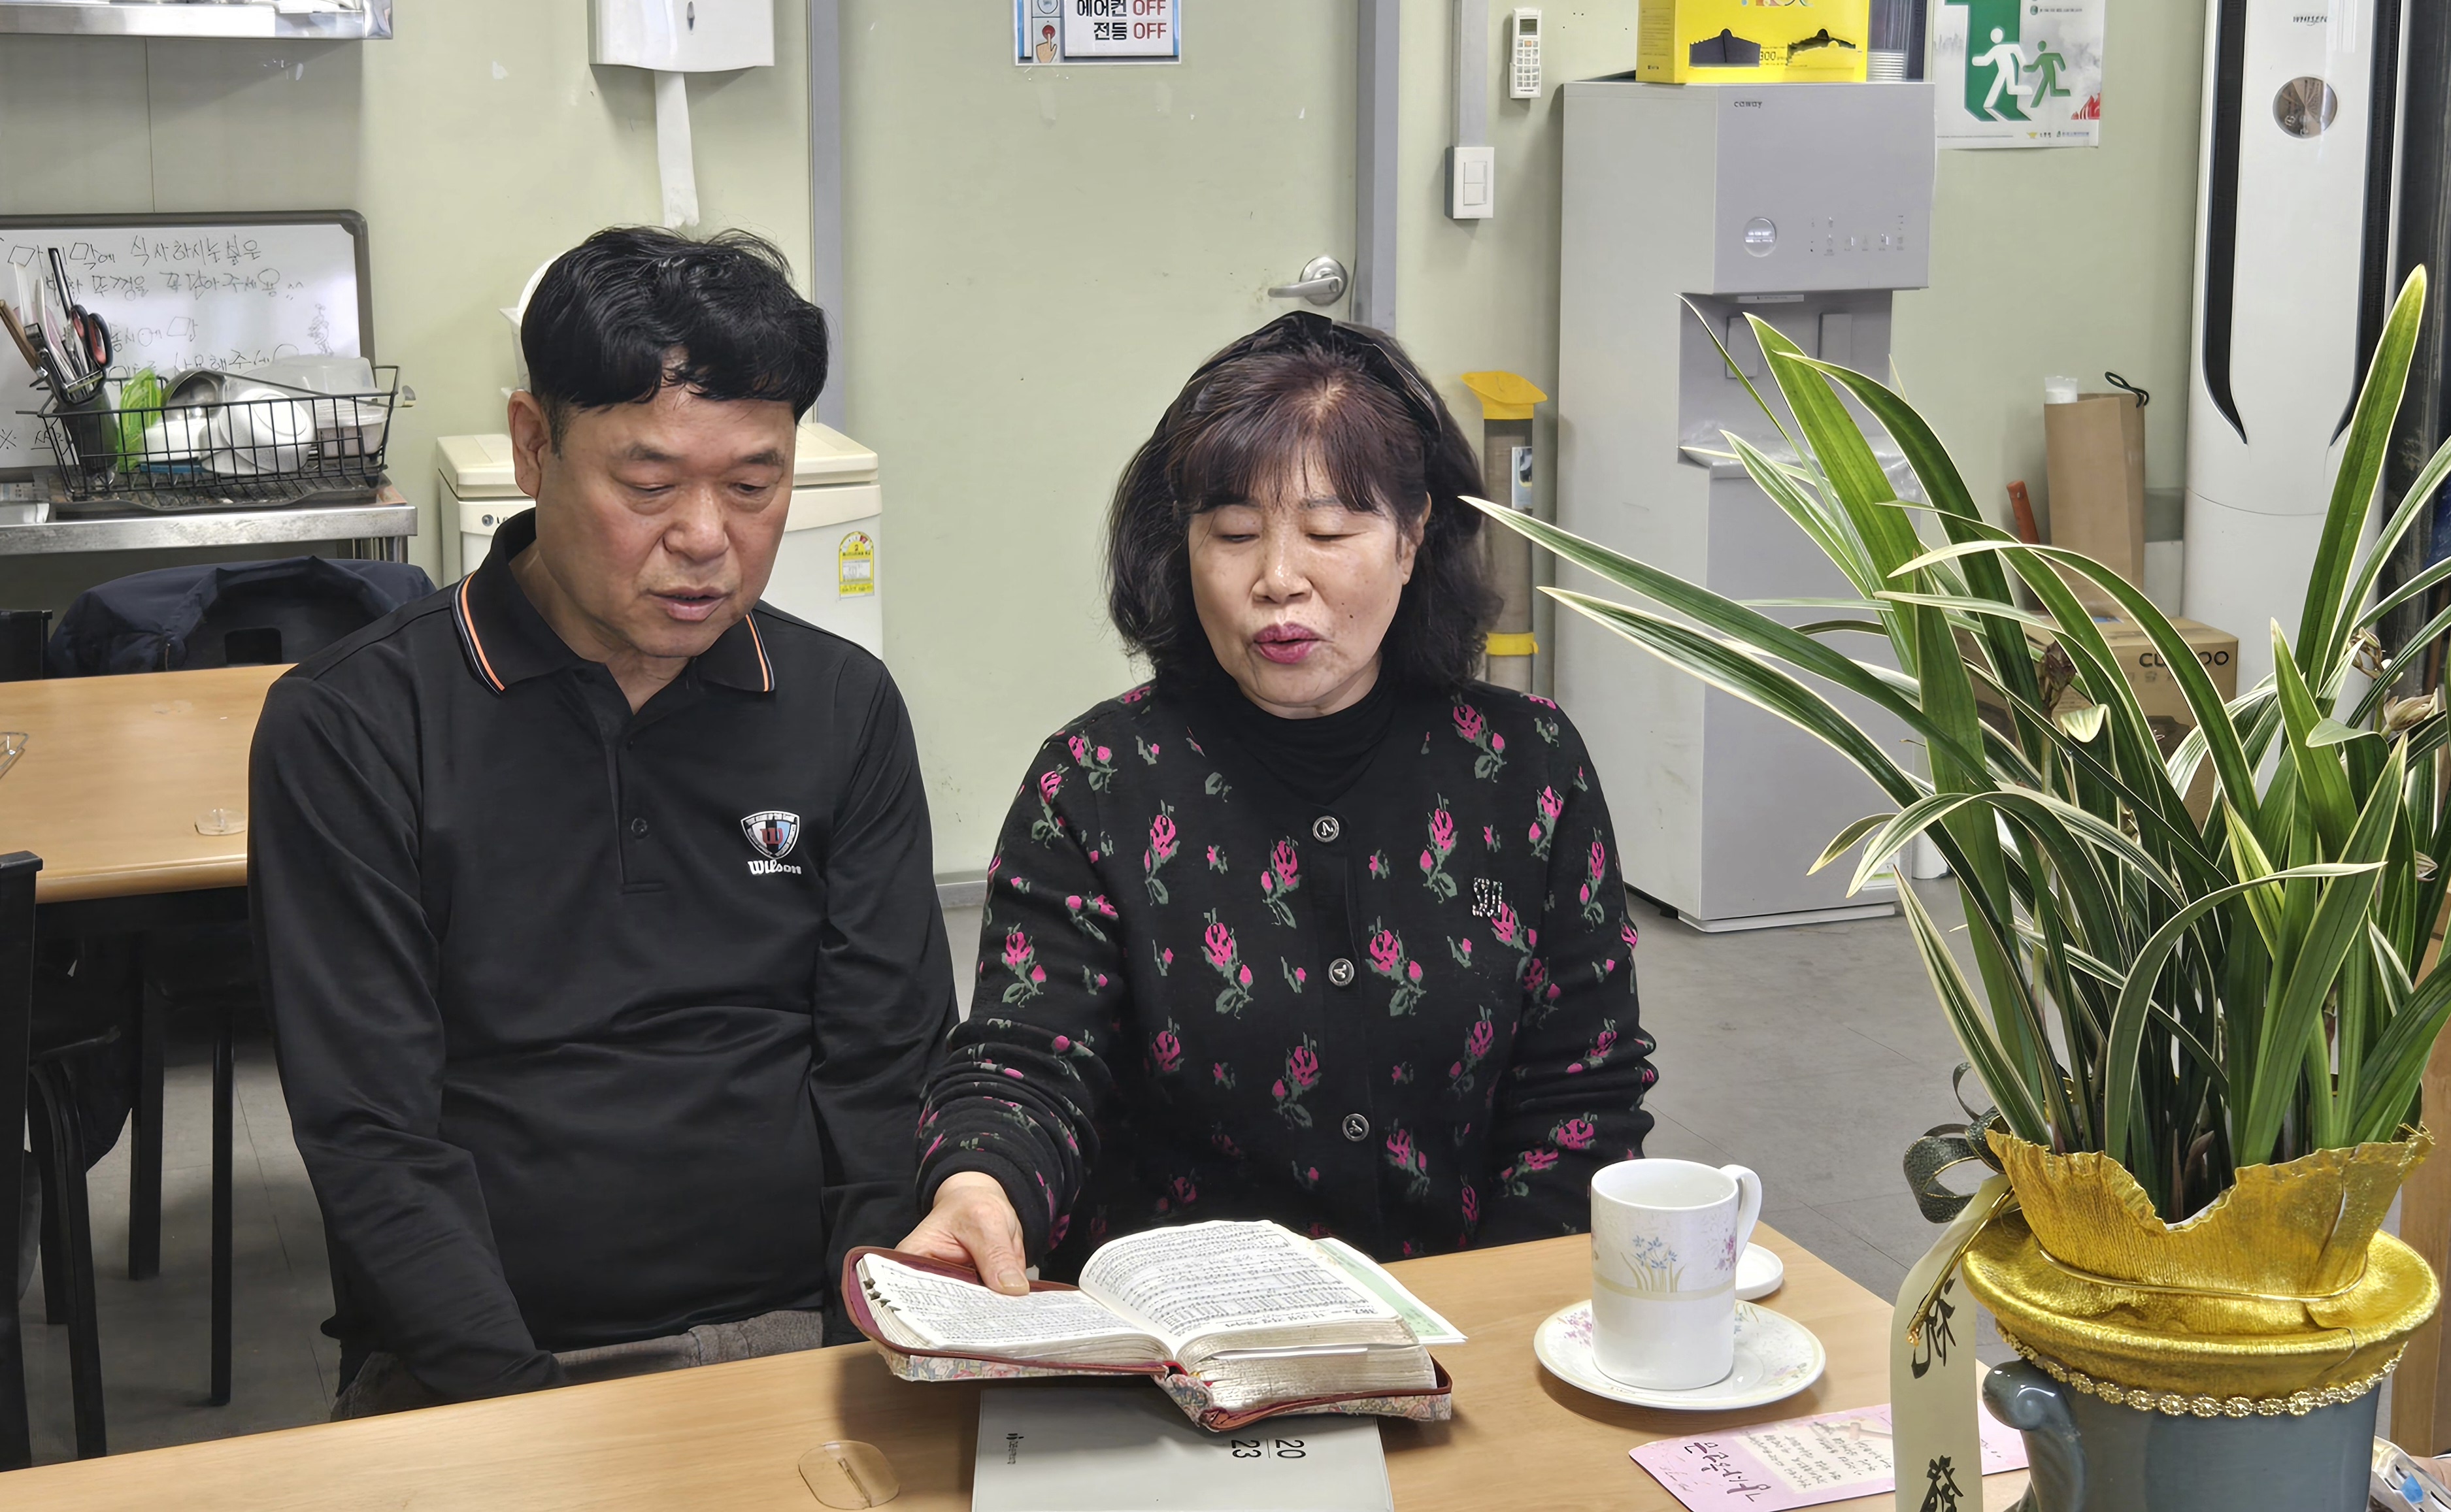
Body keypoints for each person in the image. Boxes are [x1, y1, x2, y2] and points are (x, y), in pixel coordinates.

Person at [250, 227, 957, 1414]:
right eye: (648, 485)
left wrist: (863, 1361)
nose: (706, 539)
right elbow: (372, 1135)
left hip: (805, 1335)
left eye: (754, 485)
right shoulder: (356, 725)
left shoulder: (841, 705)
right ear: (534, 445)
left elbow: (891, 1076)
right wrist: (527, 1416)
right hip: (491, 1364)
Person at [901, 312, 1658, 1291]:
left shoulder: (1528, 767)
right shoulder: (1094, 779)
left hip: (1463, 1326)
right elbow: (1028, 1058)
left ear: (1413, 537)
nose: (1277, 580)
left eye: (1330, 532)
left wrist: (1497, 1318)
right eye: (1233, 534)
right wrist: (981, 1183)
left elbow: (1581, 1094)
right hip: (1182, 1335)